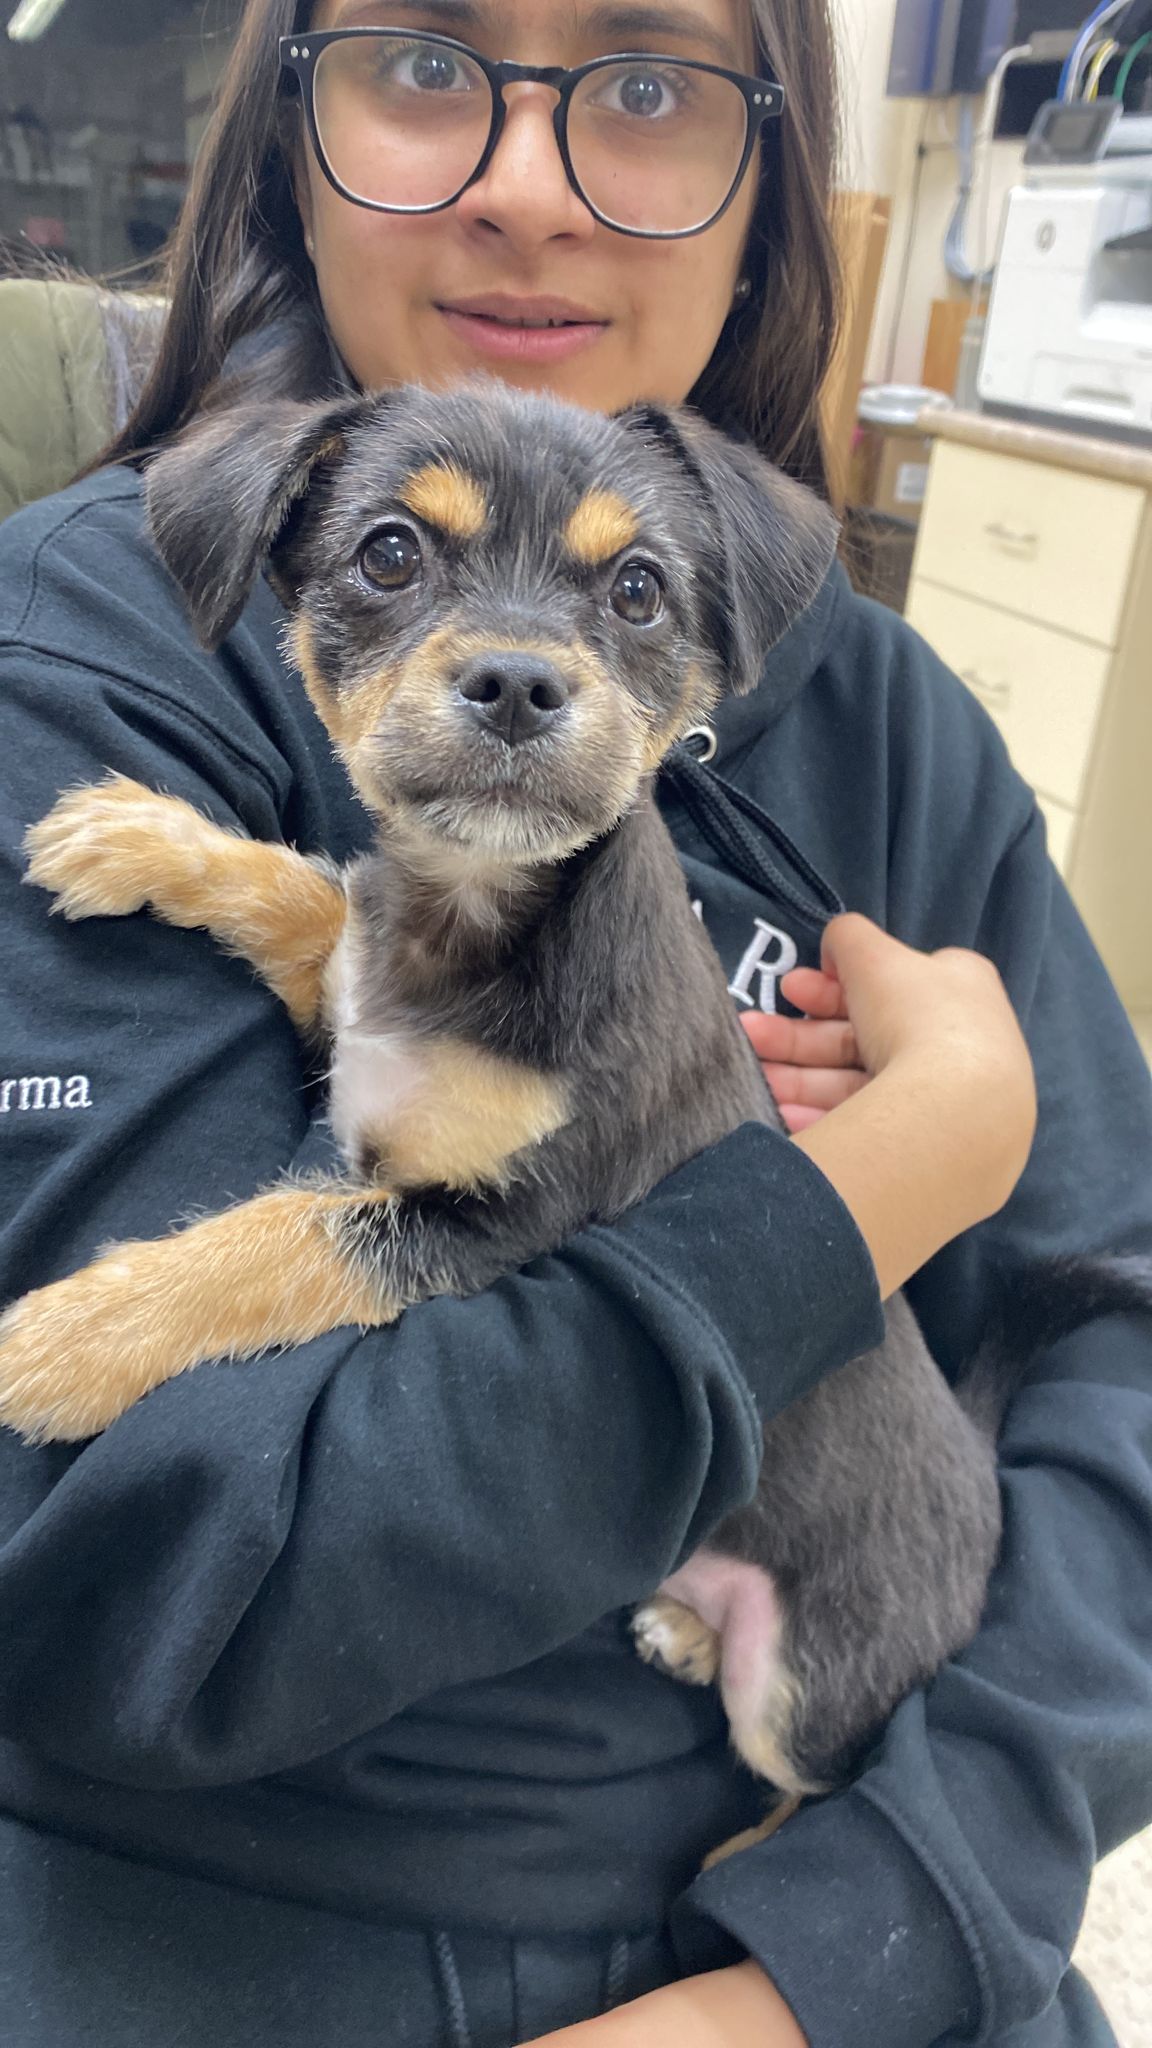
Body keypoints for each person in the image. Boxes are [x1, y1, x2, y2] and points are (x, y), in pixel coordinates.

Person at [0, 0, 1148, 2043]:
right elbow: (139, 1591)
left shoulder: (897, 728)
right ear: (286, 128)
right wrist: (884, 1178)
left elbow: (1117, 1343)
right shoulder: (86, 656)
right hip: (249, 1917)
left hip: (848, 1870)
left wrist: (864, 1939)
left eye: (643, 86)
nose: (527, 188)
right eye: (426, 60)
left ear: (766, 182)